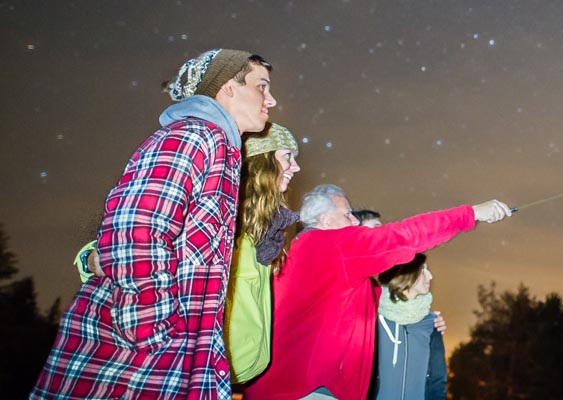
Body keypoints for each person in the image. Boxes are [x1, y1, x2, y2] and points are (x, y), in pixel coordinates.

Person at [33, 49, 277, 399]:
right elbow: (137, 228)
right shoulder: (195, 135)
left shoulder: (220, 148)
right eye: (262, 86)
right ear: (228, 88)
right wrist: (155, 330)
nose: (271, 99)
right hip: (140, 360)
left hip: (177, 357)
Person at [244, 184, 511, 400]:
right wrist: (472, 213)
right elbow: (403, 236)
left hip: (288, 387)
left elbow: (379, 301)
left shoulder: (305, 254)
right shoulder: (334, 246)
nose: (355, 222)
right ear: (325, 220)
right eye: (347, 214)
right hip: (309, 390)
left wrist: (424, 319)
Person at [225, 122, 302, 383]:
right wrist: (89, 261)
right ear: (261, 162)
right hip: (202, 371)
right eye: (287, 156)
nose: (296, 167)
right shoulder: (223, 218)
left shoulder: (265, 232)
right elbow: (136, 239)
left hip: (235, 374)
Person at [372, 253, 447, 400]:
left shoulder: (432, 324)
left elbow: (437, 381)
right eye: (423, 270)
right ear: (406, 274)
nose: (430, 276)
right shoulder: (373, 321)